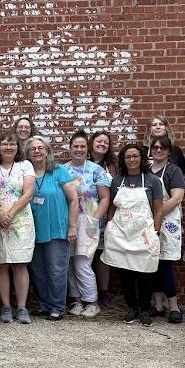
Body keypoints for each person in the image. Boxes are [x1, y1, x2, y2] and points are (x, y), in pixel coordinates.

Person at [101, 144, 163, 326]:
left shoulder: (152, 181)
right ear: (123, 159)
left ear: (142, 158)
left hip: (144, 234)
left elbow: (158, 209)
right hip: (121, 234)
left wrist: (155, 231)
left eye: (135, 156)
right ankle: (132, 309)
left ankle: (145, 310)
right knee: (125, 273)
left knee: (145, 273)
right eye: (128, 157)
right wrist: (111, 226)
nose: (132, 160)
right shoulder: (117, 180)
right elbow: (112, 207)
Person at [26, 136, 78, 320]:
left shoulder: (58, 170)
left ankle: (57, 307)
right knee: (38, 271)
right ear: (28, 153)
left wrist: (72, 226)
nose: (37, 151)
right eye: (33, 149)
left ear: (47, 151)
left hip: (57, 228)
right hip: (33, 230)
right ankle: (44, 304)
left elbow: (74, 199)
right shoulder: (27, 173)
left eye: (41, 148)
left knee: (56, 270)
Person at [64, 130, 111, 318]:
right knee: (68, 262)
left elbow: (105, 198)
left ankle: (92, 301)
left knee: (83, 262)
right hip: (68, 220)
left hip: (88, 220)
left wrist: (95, 219)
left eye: (83, 146)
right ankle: (76, 300)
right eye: (75, 146)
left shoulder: (96, 170)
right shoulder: (62, 170)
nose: (79, 149)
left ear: (87, 148)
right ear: (70, 148)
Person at [0, 130, 35, 324]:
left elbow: (28, 193)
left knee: (20, 263)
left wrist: (10, 213)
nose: (8, 147)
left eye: (12, 144)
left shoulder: (25, 166)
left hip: (20, 221)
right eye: (4, 144)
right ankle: (6, 306)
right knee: (1, 264)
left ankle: (22, 307)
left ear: (18, 147)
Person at [148, 136, 185, 322]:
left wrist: (156, 214)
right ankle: (157, 304)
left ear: (168, 151)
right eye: (154, 147)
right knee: (152, 264)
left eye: (162, 148)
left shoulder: (173, 170)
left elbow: (177, 198)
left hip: (167, 221)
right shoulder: (145, 170)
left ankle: (173, 306)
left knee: (165, 265)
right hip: (147, 222)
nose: (158, 150)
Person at [88, 130, 117, 306]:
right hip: (85, 214)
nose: (102, 145)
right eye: (99, 141)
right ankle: (86, 293)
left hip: (106, 214)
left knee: (102, 254)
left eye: (106, 143)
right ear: (92, 143)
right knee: (84, 255)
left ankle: (103, 291)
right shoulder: (83, 162)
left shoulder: (112, 166)